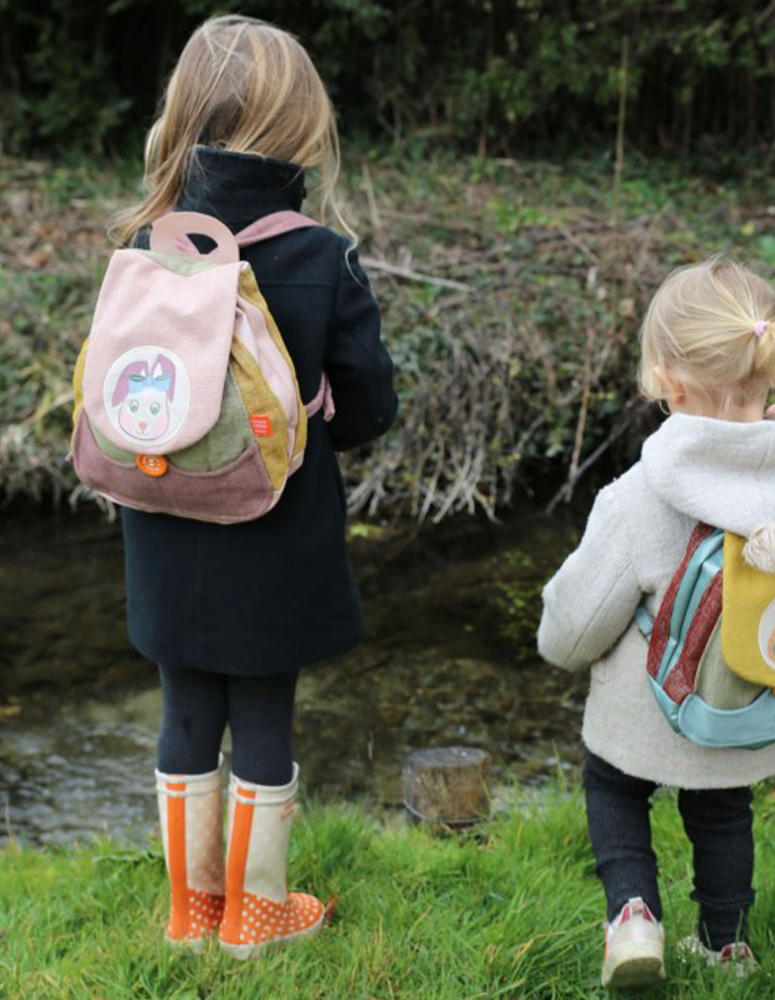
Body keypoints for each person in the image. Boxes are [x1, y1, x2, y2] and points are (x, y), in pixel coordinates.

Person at [110, 15, 398, 959]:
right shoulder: (319, 256)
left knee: (185, 711)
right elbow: (367, 409)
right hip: (275, 534)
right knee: (264, 716)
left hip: (159, 516)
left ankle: (191, 916)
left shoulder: (149, 242)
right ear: (301, 125)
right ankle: (258, 917)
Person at [537, 256, 775, 986]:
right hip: (754, 703)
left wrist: (553, 642)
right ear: (772, 363)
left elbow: (577, 624)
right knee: (723, 812)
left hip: (651, 711)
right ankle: (726, 946)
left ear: (667, 379)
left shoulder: (639, 497)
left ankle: (632, 920)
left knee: (611, 786)